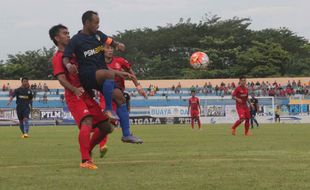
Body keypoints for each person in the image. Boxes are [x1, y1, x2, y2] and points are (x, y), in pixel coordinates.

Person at [49, 24, 114, 169]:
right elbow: (61, 78)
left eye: (68, 32)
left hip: (87, 94)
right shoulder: (58, 57)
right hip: (74, 95)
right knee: (87, 121)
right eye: (65, 33)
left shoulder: (74, 54)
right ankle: (85, 160)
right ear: (57, 38)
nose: (68, 35)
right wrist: (74, 89)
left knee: (106, 127)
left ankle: (87, 149)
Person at [63, 10, 131, 120]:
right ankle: (108, 109)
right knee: (109, 74)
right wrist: (68, 66)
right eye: (96, 22)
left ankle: (127, 134)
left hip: (101, 74)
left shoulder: (99, 35)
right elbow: (65, 57)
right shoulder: (76, 39)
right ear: (86, 22)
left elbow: (111, 42)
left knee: (120, 98)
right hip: (87, 74)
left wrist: (118, 45)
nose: (98, 25)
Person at [98, 45, 146, 146]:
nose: (110, 50)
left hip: (118, 92)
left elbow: (131, 72)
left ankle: (125, 135)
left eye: (111, 48)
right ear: (102, 49)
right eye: (107, 48)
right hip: (104, 93)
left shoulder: (120, 61)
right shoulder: (98, 61)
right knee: (104, 120)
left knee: (113, 120)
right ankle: (102, 143)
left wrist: (138, 86)